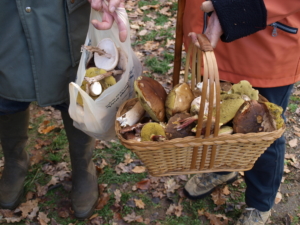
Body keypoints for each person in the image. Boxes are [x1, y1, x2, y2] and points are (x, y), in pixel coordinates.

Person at [0, 0, 125, 220]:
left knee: (75, 90)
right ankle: (15, 162)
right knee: (8, 92)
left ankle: (83, 167)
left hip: (63, 10)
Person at [182, 1, 300, 224]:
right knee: (214, 119)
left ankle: (260, 203)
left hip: (265, 45)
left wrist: (231, 10)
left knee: (262, 135)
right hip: (209, 39)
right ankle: (221, 168)